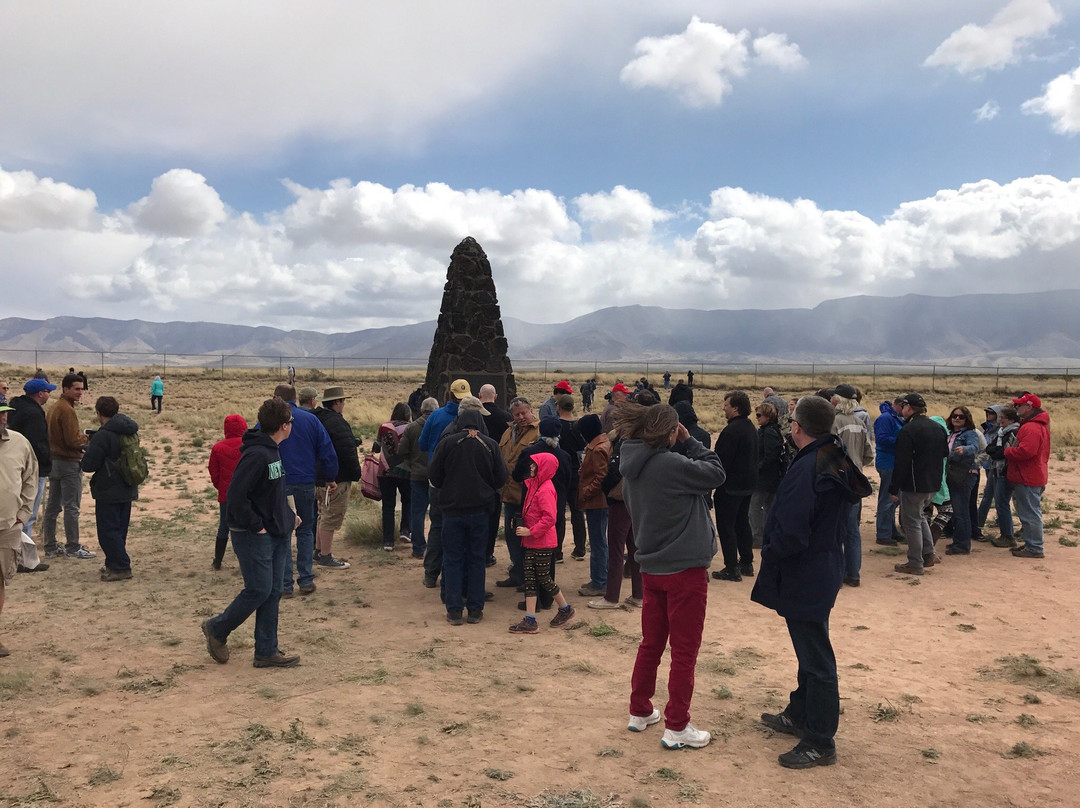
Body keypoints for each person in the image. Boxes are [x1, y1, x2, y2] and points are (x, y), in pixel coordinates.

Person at [752, 395, 872, 769]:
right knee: (808, 648)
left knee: (817, 657)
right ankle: (799, 712)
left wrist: (772, 551)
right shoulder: (830, 455)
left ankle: (820, 739)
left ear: (797, 427)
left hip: (806, 570)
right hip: (822, 565)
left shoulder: (808, 468)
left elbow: (792, 528)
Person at [617, 402, 724, 750]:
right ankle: (677, 725)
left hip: (652, 567)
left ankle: (640, 709)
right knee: (684, 650)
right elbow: (716, 472)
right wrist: (690, 441)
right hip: (684, 569)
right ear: (670, 432)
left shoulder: (631, 466)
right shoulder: (672, 464)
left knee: (651, 643)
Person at [202, 397, 301, 668]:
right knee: (259, 589)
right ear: (283, 425)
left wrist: (289, 516)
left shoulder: (273, 450)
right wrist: (256, 525)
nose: (291, 425)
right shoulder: (258, 453)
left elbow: (272, 492)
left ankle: (267, 650)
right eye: (290, 422)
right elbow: (235, 496)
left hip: (276, 531)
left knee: (272, 590)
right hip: (253, 533)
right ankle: (217, 628)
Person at [428, 408, 508, 626]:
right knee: (476, 559)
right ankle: (474, 609)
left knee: (452, 559)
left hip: (452, 511)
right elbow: (502, 477)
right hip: (480, 512)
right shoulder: (490, 444)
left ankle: (454, 610)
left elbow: (434, 475)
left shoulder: (447, 443)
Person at [273, 384, 337, 598]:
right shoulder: (310, 420)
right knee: (305, 530)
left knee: (282, 533)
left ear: (276, 398)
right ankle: (306, 579)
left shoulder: (269, 422)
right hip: (305, 483)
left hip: (278, 483)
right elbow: (326, 449)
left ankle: (285, 585)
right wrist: (330, 477)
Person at [509, 454, 577, 633]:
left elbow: (550, 517)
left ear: (543, 468)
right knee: (530, 579)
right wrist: (520, 522)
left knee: (543, 578)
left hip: (542, 541)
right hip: (532, 540)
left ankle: (565, 609)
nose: (531, 467)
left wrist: (531, 531)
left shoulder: (545, 488)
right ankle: (530, 620)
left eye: (535, 465)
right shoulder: (534, 485)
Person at [511, 417, 574, 597]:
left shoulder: (529, 453)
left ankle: (533, 595)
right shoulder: (564, 456)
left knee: (530, 555)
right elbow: (568, 482)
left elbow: (516, 476)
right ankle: (547, 597)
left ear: (540, 432)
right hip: (557, 509)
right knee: (550, 553)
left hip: (532, 510)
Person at [81, 397, 141, 581]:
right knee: (119, 529)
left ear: (99, 413)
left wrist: (87, 450)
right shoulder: (129, 431)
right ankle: (113, 563)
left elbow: (89, 465)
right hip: (128, 486)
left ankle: (121, 566)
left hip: (108, 490)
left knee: (108, 531)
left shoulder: (103, 435)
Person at [889, 394, 949, 576]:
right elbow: (945, 453)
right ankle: (928, 553)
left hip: (914, 484)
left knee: (911, 521)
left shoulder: (909, 430)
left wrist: (893, 488)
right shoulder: (938, 427)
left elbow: (902, 462)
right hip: (933, 482)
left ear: (909, 408)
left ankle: (915, 562)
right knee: (920, 517)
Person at [42, 372, 94, 559]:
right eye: (77, 389)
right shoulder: (67, 410)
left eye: (81, 389)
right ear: (66, 389)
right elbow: (73, 440)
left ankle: (50, 545)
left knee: (53, 507)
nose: (80, 392)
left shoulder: (54, 407)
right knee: (71, 507)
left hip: (54, 462)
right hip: (68, 463)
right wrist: (89, 439)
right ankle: (73, 547)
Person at [0, 401, 38, 656]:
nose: (3, 419)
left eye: (4, 414)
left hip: (7, 525)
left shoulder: (19, 442)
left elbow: (30, 479)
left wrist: (23, 515)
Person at [313, 386, 362, 569]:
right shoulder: (337, 423)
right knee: (331, 516)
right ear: (337, 402)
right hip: (336, 479)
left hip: (318, 477)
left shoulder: (317, 419)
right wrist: (355, 473)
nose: (344, 404)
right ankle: (326, 556)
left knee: (322, 514)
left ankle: (319, 551)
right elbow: (346, 451)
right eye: (342, 401)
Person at [830, 385, 874, 585]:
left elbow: (829, 452)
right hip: (856, 480)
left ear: (839, 400)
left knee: (835, 528)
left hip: (838, 480)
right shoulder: (859, 422)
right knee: (852, 529)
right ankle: (853, 574)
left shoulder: (834, 422)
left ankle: (836, 573)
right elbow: (868, 455)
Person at [494, 397, 540, 589]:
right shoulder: (507, 432)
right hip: (509, 493)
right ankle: (516, 574)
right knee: (512, 536)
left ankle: (530, 577)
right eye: (517, 414)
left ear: (531, 410)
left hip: (528, 495)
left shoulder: (538, 433)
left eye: (524, 413)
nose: (521, 417)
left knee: (527, 538)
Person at [712, 391, 757, 582]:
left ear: (736, 408)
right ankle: (746, 562)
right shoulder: (750, 428)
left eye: (727, 405)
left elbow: (721, 461)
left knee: (726, 526)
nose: (724, 408)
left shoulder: (732, 431)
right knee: (742, 523)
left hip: (730, 487)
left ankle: (731, 567)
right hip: (747, 485)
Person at [6, 378, 56, 545]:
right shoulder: (34, 414)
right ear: (40, 394)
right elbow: (37, 442)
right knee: (28, 513)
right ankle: (24, 555)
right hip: (34, 470)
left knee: (16, 512)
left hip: (15, 467)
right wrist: (45, 460)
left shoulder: (16, 408)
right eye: (48, 391)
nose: (49, 394)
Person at [1004, 393, 1050, 559]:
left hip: (1027, 476)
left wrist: (1008, 451)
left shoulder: (1031, 427)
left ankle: (1035, 547)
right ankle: (1032, 543)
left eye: (1019, 406)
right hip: (1032, 474)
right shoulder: (1037, 425)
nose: (1016, 408)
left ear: (1029, 407)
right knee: (1029, 512)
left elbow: (1026, 451)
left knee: (1030, 513)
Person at [398, 396, 439, 560]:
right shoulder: (441, 425)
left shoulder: (412, 427)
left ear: (421, 410)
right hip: (437, 476)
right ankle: (437, 546)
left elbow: (402, 450)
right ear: (436, 410)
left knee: (418, 512)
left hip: (417, 475)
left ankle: (418, 548)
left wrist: (412, 462)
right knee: (437, 512)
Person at [575, 414, 611, 597]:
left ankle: (599, 583)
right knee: (600, 541)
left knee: (598, 543)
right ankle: (601, 578)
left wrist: (586, 492)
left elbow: (601, 477)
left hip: (597, 502)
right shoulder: (602, 443)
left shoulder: (597, 449)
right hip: (601, 501)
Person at [208, 414, 248, 570]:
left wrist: (221, 486)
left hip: (226, 493)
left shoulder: (218, 447)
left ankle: (218, 560)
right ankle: (245, 559)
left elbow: (214, 471)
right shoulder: (248, 445)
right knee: (247, 526)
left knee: (224, 526)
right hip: (246, 493)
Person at [944, 406, 980, 555]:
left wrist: (964, 449)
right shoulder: (951, 433)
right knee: (957, 509)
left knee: (961, 510)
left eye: (961, 417)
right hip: (954, 473)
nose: (957, 418)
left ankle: (962, 545)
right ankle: (958, 541)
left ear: (967, 419)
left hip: (965, 473)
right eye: (954, 416)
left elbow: (974, 447)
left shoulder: (970, 433)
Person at [376, 403, 413, 551]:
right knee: (407, 501)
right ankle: (405, 530)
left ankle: (388, 541)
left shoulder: (384, 426)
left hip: (385, 471)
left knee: (388, 506)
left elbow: (375, 447)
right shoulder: (410, 427)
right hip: (405, 471)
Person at [556, 395, 587, 563]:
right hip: (576, 472)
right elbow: (583, 451)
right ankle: (580, 549)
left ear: (558, 407)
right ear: (572, 407)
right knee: (577, 512)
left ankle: (557, 551)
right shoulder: (578, 427)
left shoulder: (556, 426)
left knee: (558, 512)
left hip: (559, 473)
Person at [750, 402, 784, 550]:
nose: (757, 418)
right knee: (768, 507)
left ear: (768, 416)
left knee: (755, 506)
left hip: (765, 478)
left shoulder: (769, 432)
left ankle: (757, 537)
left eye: (759, 415)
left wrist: (757, 469)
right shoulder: (772, 430)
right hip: (771, 477)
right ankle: (767, 535)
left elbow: (771, 456)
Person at [985, 407, 1020, 548]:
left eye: (1003, 417)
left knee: (1002, 503)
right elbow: (990, 448)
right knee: (1000, 502)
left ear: (1011, 419)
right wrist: (995, 451)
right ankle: (1006, 533)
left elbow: (1002, 452)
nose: (1000, 420)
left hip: (1005, 472)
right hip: (997, 470)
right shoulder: (1001, 432)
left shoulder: (1013, 432)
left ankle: (1008, 535)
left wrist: (995, 451)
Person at [873, 397, 906, 546]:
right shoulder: (885, 418)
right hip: (887, 462)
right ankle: (883, 533)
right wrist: (902, 439)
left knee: (894, 499)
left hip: (894, 462)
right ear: (900, 406)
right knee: (887, 498)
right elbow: (881, 439)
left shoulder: (895, 418)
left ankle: (891, 530)